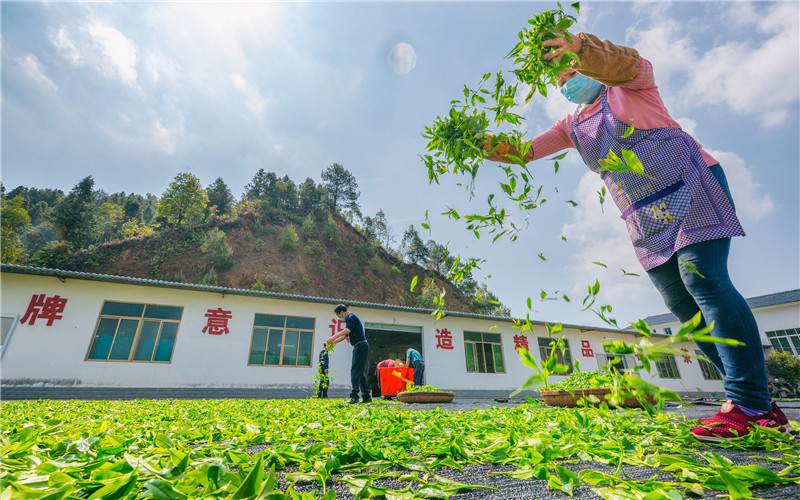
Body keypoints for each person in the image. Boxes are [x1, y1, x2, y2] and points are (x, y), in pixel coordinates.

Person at [484, 31, 791, 442]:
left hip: (689, 184)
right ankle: (759, 401)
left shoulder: (632, 84)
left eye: (571, 71)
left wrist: (582, 48)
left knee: (704, 277)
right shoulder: (572, 125)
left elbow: (625, 63)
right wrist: (479, 143)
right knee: (681, 303)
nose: (566, 83)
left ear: (587, 62)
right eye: (559, 83)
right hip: (645, 214)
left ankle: (747, 403)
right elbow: (523, 152)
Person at [326, 304, 371, 404]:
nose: (340, 318)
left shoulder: (351, 317)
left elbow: (346, 330)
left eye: (339, 316)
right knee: (360, 372)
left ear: (342, 312)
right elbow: (345, 335)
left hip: (360, 346)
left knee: (355, 370)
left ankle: (354, 396)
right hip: (361, 346)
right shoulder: (350, 320)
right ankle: (366, 396)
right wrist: (333, 342)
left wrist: (333, 337)